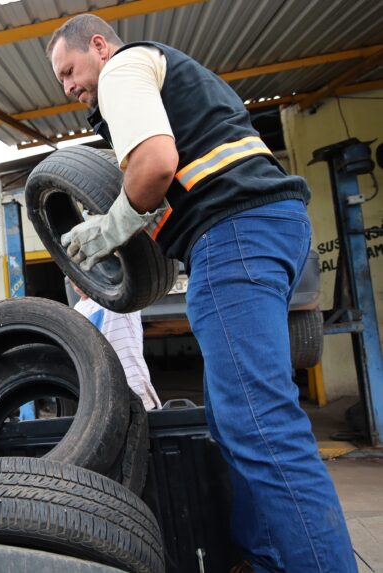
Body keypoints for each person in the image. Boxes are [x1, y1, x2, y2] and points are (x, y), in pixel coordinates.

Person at [47, 15, 355, 572]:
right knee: (234, 422)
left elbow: (156, 166)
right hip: (269, 227)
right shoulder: (166, 75)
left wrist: (110, 227)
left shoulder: (122, 69)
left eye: (69, 70)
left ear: (98, 45)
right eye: (61, 80)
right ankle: (264, 558)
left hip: (235, 232)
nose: (68, 87)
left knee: (260, 425)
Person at [70, 280, 161, 411]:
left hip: (134, 390)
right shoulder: (76, 311)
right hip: (100, 397)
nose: (73, 279)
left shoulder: (118, 297)